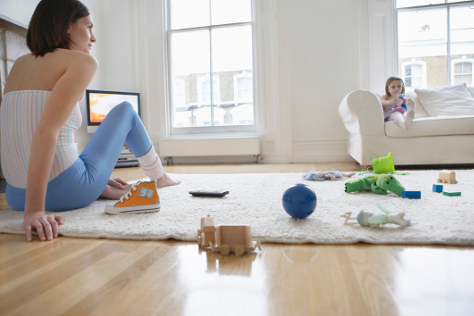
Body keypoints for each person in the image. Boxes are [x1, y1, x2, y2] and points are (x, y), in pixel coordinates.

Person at [0, 0, 180, 242]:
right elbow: (45, 133)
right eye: (89, 27)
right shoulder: (81, 61)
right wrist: (34, 211)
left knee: (78, 152)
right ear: (67, 27)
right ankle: (160, 177)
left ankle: (98, 185)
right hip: (60, 193)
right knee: (126, 110)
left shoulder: (19, 65)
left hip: (14, 194)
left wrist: (97, 183)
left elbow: (19, 134)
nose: (93, 37)